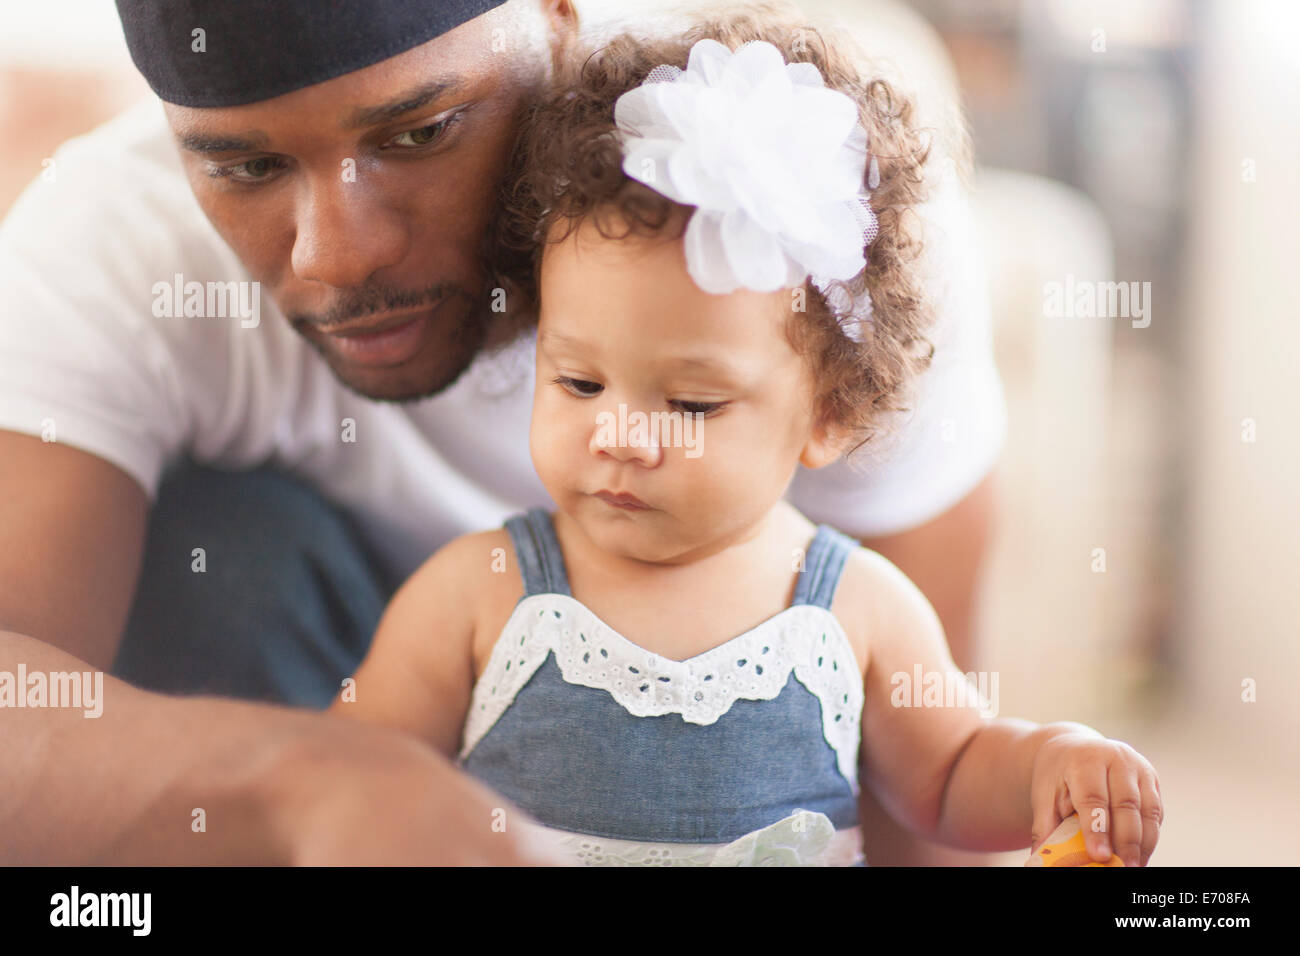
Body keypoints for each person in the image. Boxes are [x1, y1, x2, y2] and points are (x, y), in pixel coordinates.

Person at [0, 1, 1005, 864]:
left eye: (419, 132)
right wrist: (311, 777)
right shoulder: (110, 241)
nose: (338, 255)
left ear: (558, 13)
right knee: (220, 553)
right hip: (337, 736)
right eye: (249, 166)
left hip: (733, 765)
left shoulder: (789, 206)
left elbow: (917, 762)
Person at [329, 24, 1162, 867]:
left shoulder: (856, 609)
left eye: (691, 403)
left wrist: (1048, 767)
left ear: (828, 415)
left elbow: (948, 777)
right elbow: (347, 781)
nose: (620, 435)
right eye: (579, 384)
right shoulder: (480, 595)